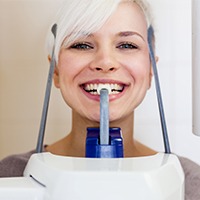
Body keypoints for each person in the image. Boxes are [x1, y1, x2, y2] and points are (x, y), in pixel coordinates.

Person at [0, 0, 200, 199]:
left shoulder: (191, 183)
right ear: (56, 71)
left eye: (127, 45)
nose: (105, 62)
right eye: (82, 45)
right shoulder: (8, 175)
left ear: (150, 70)